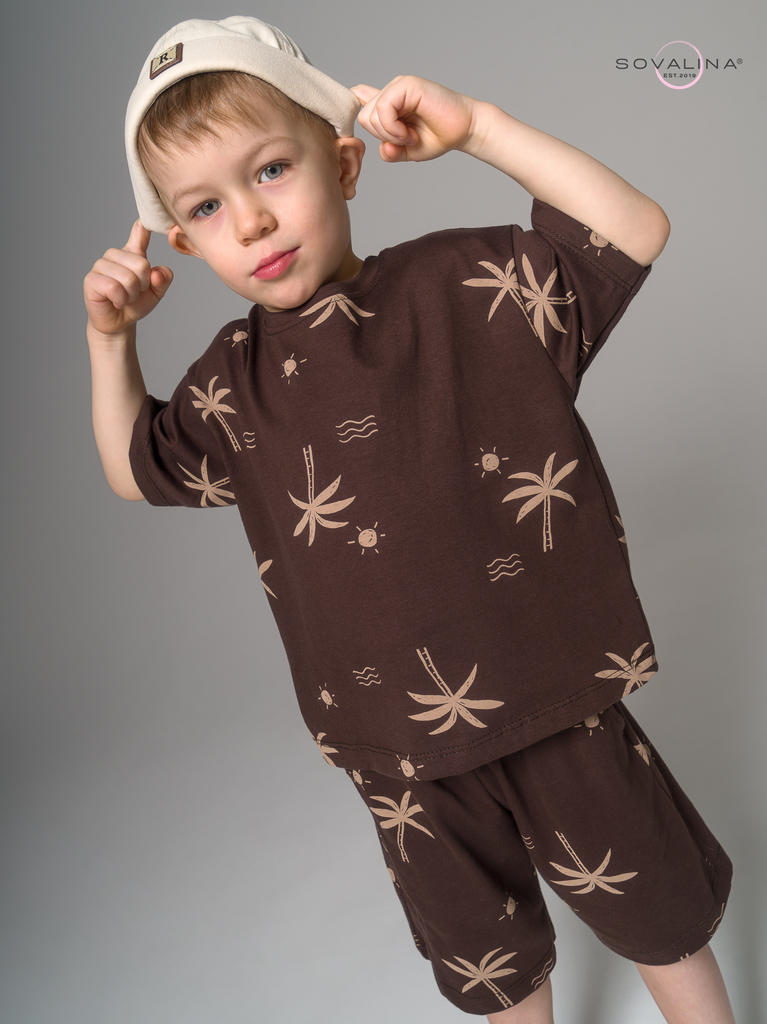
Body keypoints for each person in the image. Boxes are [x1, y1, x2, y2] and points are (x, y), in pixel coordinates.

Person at [83, 17, 736, 1023]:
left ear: (344, 164)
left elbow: (629, 229)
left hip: (554, 695)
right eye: (206, 207)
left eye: (270, 171)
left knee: (657, 909)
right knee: (489, 957)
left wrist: (479, 126)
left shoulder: (463, 286)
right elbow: (135, 469)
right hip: (396, 752)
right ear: (184, 240)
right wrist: (109, 341)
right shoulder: (231, 386)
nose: (249, 222)